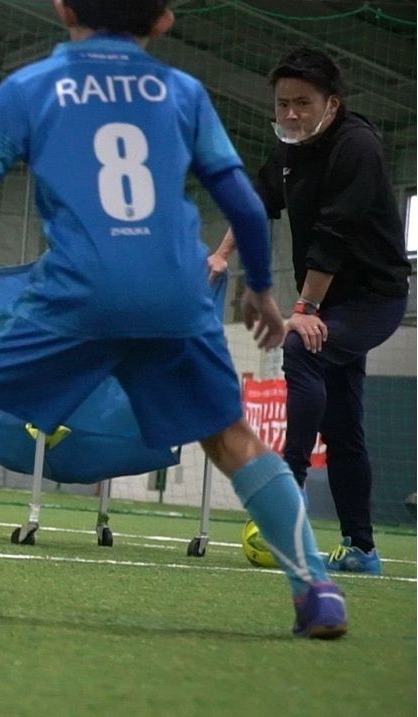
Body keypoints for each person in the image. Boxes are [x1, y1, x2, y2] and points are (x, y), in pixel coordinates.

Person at [0, 0, 347, 639]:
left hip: (80, 289)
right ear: (163, 21)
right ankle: (317, 589)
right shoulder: (182, 91)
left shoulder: (32, 85)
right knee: (233, 439)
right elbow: (239, 196)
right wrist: (262, 290)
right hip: (176, 294)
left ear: (62, 6)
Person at [207, 47, 410, 575]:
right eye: (283, 104)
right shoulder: (289, 152)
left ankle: (286, 493)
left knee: (300, 345)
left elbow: (334, 236)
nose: (291, 114)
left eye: (303, 103)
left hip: (373, 299)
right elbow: (254, 207)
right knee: (344, 426)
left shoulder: (357, 146)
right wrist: (221, 254)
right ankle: (362, 549)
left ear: (332, 104)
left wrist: (303, 308)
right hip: (329, 302)